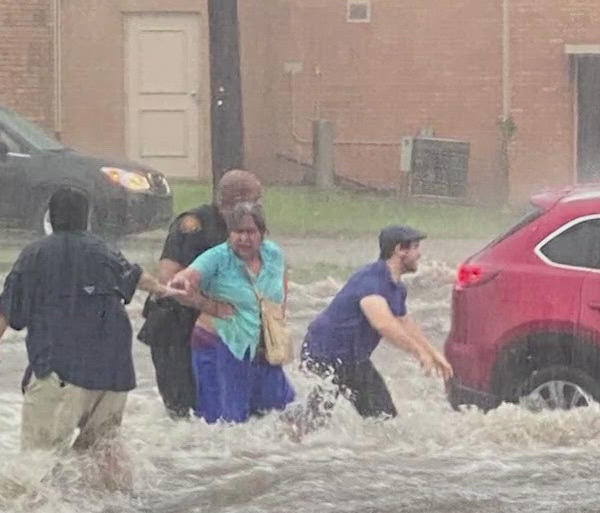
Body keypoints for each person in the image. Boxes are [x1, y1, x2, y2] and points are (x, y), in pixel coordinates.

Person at [0, 187, 200, 453]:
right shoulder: (104, 251)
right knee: (98, 462)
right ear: (86, 218)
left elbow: (6, 306)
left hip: (61, 371)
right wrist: (166, 290)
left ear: (51, 218)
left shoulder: (35, 254)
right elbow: (137, 277)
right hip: (112, 375)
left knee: (38, 463)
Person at [139, 170, 265, 418]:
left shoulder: (246, 228)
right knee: (182, 408)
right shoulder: (194, 225)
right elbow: (168, 276)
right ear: (237, 200)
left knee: (233, 406)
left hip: (217, 328)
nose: (260, 205)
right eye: (256, 199)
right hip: (176, 326)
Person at [296, 224, 450, 423]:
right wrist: (418, 353)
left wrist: (432, 352)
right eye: (415, 247)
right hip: (323, 356)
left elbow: (404, 322)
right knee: (312, 421)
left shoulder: (397, 288)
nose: (419, 254)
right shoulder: (370, 280)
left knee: (384, 418)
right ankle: (280, 438)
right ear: (399, 250)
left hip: (355, 360)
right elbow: (384, 324)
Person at [167, 202, 297, 424]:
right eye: (238, 232)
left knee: (285, 412)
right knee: (229, 423)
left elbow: (281, 287)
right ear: (229, 233)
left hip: (262, 345)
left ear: (263, 233)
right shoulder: (217, 258)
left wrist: (277, 325)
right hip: (221, 346)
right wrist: (207, 304)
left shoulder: (273, 253)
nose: (244, 239)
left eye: (251, 232)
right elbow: (179, 285)